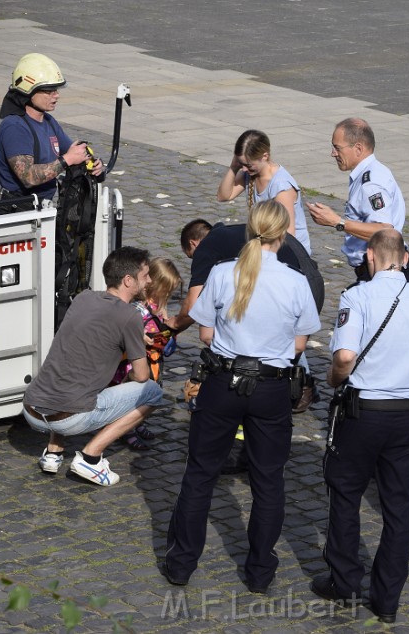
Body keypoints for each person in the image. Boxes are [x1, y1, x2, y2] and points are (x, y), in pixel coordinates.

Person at [163, 201, 321, 592]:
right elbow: (298, 345)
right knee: (269, 481)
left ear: (249, 230)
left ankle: (182, 563)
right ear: (283, 235)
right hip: (270, 388)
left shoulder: (220, 273)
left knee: (199, 474)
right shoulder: (295, 281)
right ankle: (259, 572)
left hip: (222, 383)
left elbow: (204, 334)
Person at [311, 229, 409, 624]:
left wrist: (332, 378)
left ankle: (344, 582)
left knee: (344, 495)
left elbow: (344, 355)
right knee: (399, 507)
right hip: (408, 415)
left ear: (371, 258)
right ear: (407, 258)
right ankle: (387, 599)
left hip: (363, 412)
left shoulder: (357, 296)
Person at [23, 246, 167, 486]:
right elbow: (141, 376)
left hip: (31, 410)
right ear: (128, 280)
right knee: (152, 392)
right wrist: (133, 345)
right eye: (145, 276)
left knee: (72, 368)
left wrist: (128, 338)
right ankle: (90, 457)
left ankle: (53, 450)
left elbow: (96, 335)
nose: (150, 281)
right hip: (66, 418)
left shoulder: (84, 298)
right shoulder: (130, 317)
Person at [172, 217, 323, 417]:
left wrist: (171, 326)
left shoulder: (206, 248)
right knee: (286, 338)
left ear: (193, 244)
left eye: (191, 256)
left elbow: (193, 306)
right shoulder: (231, 235)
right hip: (311, 279)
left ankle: (293, 388)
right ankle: (302, 386)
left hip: (297, 282)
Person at [306, 118, 409, 283]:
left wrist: (337, 222)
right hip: (379, 268)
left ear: (358, 148)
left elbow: (385, 230)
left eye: (337, 148)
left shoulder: (371, 184)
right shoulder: (371, 172)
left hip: (382, 271)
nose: (333, 153)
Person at [0, 53, 103, 202]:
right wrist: (67, 160)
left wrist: (93, 163)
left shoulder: (48, 121)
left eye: (56, 90)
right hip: (18, 213)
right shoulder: (14, 127)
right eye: (48, 91)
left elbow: (71, 150)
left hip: (44, 209)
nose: (56, 95)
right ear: (28, 91)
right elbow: (28, 177)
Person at [110, 257, 183, 450]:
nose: (168, 294)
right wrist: (141, 336)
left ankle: (138, 423)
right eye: (166, 289)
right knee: (133, 396)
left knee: (146, 394)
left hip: (153, 358)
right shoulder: (137, 307)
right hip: (135, 360)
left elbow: (161, 323)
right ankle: (127, 430)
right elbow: (126, 328)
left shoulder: (160, 304)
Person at [217, 129, 312, 254]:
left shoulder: (281, 186)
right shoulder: (251, 173)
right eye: (241, 164)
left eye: (248, 165)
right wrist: (234, 167)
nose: (244, 169)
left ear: (265, 156)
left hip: (290, 253)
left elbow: (288, 234)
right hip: (266, 246)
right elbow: (223, 196)